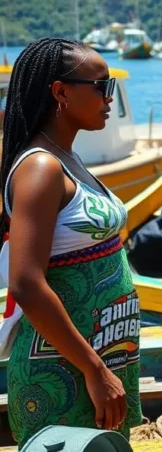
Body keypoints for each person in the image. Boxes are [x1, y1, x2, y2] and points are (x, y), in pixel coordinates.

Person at [0, 38, 142, 443]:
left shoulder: (67, 158)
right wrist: (94, 369)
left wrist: (104, 365)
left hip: (104, 352)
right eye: (102, 86)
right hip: (65, 367)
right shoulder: (41, 168)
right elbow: (25, 282)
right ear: (61, 92)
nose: (109, 98)